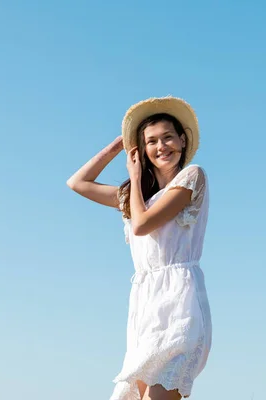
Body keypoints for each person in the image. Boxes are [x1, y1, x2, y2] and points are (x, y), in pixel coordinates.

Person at [67, 96, 212, 400]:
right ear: (142, 150)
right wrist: (118, 146)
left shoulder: (192, 177)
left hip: (179, 304)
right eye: (152, 141)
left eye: (168, 137)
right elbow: (78, 183)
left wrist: (133, 177)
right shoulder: (137, 197)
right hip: (145, 308)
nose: (162, 146)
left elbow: (141, 225)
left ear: (182, 141)